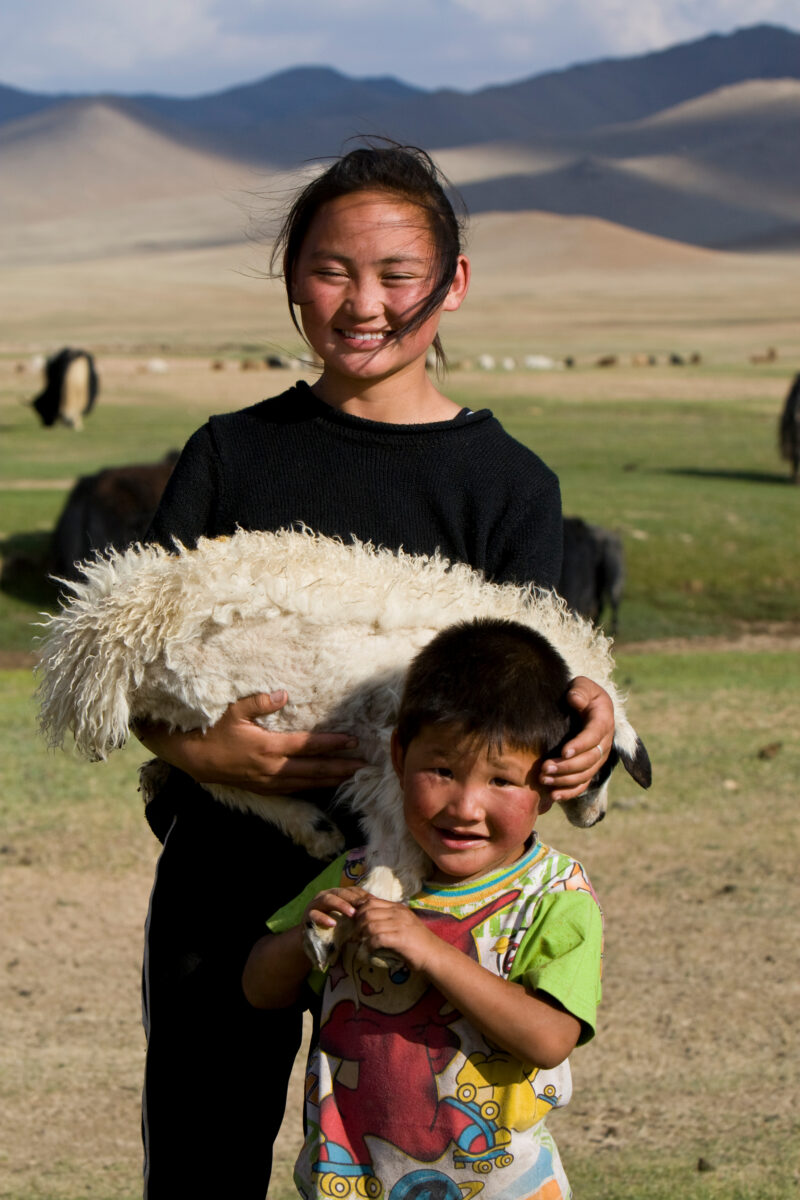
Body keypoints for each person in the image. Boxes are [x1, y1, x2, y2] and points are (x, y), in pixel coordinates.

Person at [135, 143, 614, 1199]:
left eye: (396, 275)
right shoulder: (228, 455)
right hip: (227, 875)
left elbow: (533, 684)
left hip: (439, 893)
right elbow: (141, 661)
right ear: (291, 275)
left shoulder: (507, 484)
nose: (362, 303)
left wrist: (582, 733)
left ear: (452, 282)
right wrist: (201, 750)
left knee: (411, 1167)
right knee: (199, 1163)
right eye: (329, 269)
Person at [244, 618, 603, 1200]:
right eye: (442, 771)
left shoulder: (556, 895)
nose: (465, 806)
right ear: (399, 755)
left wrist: (428, 949)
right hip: (352, 1183)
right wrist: (308, 937)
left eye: (502, 780)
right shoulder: (364, 874)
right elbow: (260, 988)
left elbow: (549, 1039)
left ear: (550, 781)